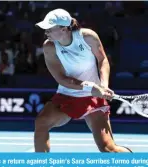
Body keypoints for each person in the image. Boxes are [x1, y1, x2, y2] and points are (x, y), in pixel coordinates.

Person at [34, 8, 132, 153]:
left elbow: (102, 59)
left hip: (93, 98)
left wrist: (103, 85)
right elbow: (61, 78)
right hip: (67, 95)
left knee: (108, 150)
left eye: (49, 28)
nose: (46, 32)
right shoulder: (49, 47)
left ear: (64, 28)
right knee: (41, 122)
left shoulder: (87, 37)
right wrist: (89, 86)